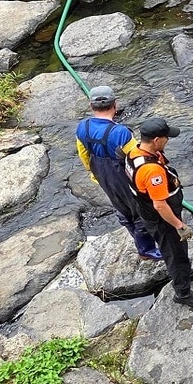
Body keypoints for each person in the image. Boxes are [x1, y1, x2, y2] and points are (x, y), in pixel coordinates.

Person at [127, 117, 193, 307]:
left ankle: (187, 272)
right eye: (166, 137)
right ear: (156, 140)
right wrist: (179, 226)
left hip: (146, 210)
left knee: (179, 251)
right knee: (175, 254)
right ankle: (183, 293)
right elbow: (160, 205)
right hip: (163, 220)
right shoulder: (151, 171)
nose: (168, 141)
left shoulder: (134, 152)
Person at [75, 86, 162, 261]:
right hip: (124, 177)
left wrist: (93, 173)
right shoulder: (121, 132)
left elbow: (83, 154)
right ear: (115, 104)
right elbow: (138, 158)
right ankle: (146, 250)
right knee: (140, 211)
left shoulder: (82, 127)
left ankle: (139, 241)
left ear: (91, 106)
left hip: (102, 175)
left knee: (121, 207)